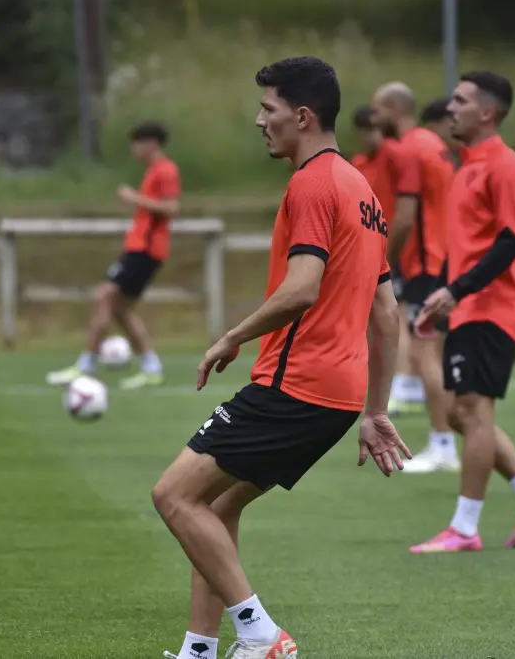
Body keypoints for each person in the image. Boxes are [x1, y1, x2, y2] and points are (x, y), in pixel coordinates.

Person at [153, 56, 409, 659]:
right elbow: (387, 313)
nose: (259, 120)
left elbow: (302, 287)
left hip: (296, 384)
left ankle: (261, 634)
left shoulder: (314, 182)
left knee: (172, 496)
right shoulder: (362, 190)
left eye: (267, 109)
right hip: (338, 395)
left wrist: (231, 337)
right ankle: (198, 651)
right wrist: (374, 410)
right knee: (213, 508)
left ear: (301, 115)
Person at [409, 71, 515, 553]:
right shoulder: (466, 166)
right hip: (466, 305)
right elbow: (464, 246)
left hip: (491, 306)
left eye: (460, 101)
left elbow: (511, 241)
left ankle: (464, 528)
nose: (450, 108)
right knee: (459, 413)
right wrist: (440, 294)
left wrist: (459, 290)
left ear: (487, 113)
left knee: (472, 412)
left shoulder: (503, 164)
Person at [45, 122, 179, 390]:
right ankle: (151, 367)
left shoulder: (165, 170)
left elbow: (171, 208)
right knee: (120, 309)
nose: (134, 149)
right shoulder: (154, 171)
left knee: (104, 296)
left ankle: (86, 365)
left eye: (137, 143)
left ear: (151, 143)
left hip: (146, 250)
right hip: (139, 248)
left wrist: (134, 198)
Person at [371, 82, 459, 473]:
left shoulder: (409, 148)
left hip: (427, 262)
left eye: (378, 110)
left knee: (425, 354)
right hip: (445, 256)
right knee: (431, 352)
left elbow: (406, 216)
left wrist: (381, 261)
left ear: (393, 108)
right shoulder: (431, 143)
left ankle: (443, 445)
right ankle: (446, 440)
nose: (374, 119)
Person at [349, 104, 426, 416]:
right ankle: (391, 385)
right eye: (365, 130)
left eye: (374, 128)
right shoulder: (360, 163)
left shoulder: (398, 155)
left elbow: (405, 211)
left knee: (395, 317)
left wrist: (392, 254)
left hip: (396, 251)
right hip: (368, 251)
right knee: (374, 321)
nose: (371, 136)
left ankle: (403, 385)